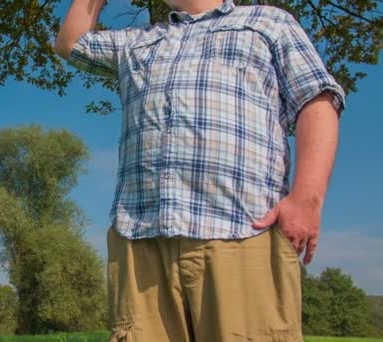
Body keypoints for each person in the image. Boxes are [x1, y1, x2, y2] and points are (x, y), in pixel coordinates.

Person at [54, 0, 345, 341]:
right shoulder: (142, 40)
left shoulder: (267, 23)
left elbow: (316, 102)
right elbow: (70, 43)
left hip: (242, 229)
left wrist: (306, 199)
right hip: (141, 236)